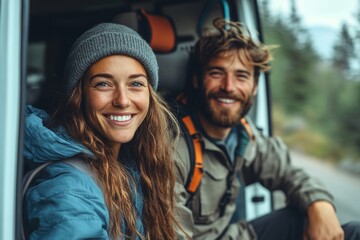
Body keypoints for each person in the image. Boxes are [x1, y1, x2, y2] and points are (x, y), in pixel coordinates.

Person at [173, 18, 360, 240]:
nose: (229, 87)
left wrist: (319, 203)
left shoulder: (243, 134)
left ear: (254, 88)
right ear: (196, 80)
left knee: (345, 229)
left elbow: (289, 173)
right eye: (216, 73)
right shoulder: (171, 143)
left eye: (241, 76)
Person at [23, 23, 181, 239]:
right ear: (79, 96)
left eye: (136, 84)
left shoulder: (131, 164)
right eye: (104, 84)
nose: (123, 100)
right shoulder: (69, 189)